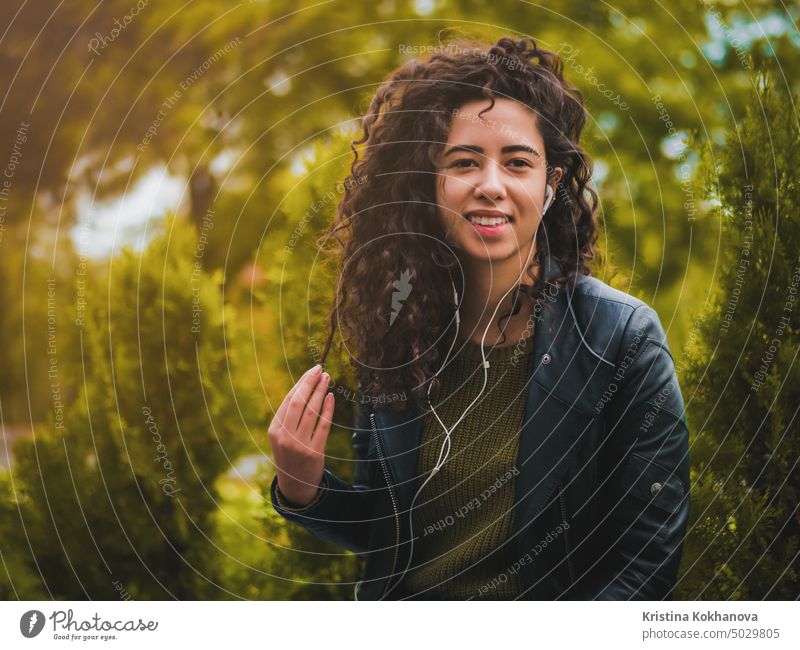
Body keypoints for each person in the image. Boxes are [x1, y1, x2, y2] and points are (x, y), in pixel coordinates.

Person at [268, 36, 690, 600]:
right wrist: (304, 488)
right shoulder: (399, 329)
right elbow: (387, 536)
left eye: (517, 163)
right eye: (464, 162)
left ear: (551, 185)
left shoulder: (621, 340)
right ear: (431, 183)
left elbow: (645, 567)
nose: (490, 185)